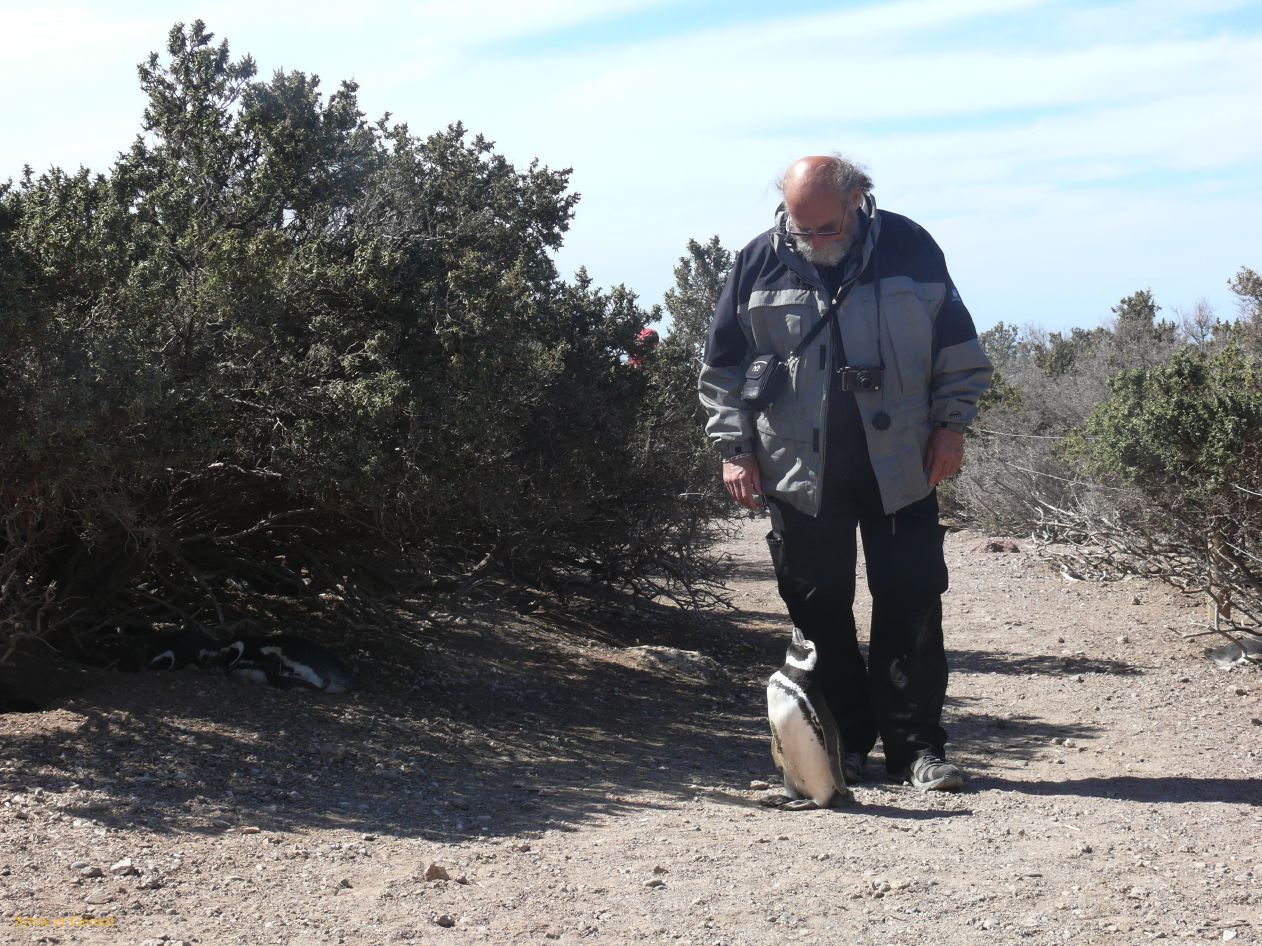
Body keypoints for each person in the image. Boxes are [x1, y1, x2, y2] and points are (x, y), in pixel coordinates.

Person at [698, 155, 992, 791]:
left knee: (911, 601)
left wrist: (952, 425)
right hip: (800, 471)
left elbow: (959, 350)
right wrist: (733, 448)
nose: (815, 241)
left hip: (903, 465)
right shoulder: (757, 261)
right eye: (803, 230)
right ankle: (842, 743)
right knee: (817, 609)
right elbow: (722, 370)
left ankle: (916, 748)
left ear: (860, 198)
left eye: (827, 227)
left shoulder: (911, 247)